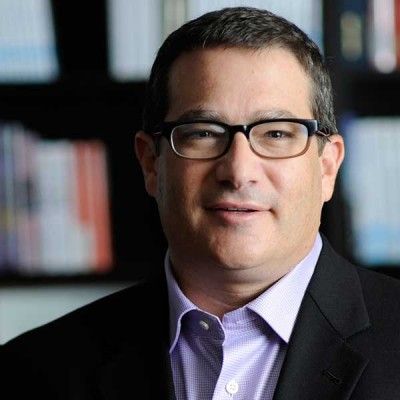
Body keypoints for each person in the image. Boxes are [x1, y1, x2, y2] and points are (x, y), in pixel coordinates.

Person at [2, 6, 400, 400]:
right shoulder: (32, 373)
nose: (239, 171)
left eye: (277, 134)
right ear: (151, 163)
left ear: (327, 167)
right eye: (204, 133)